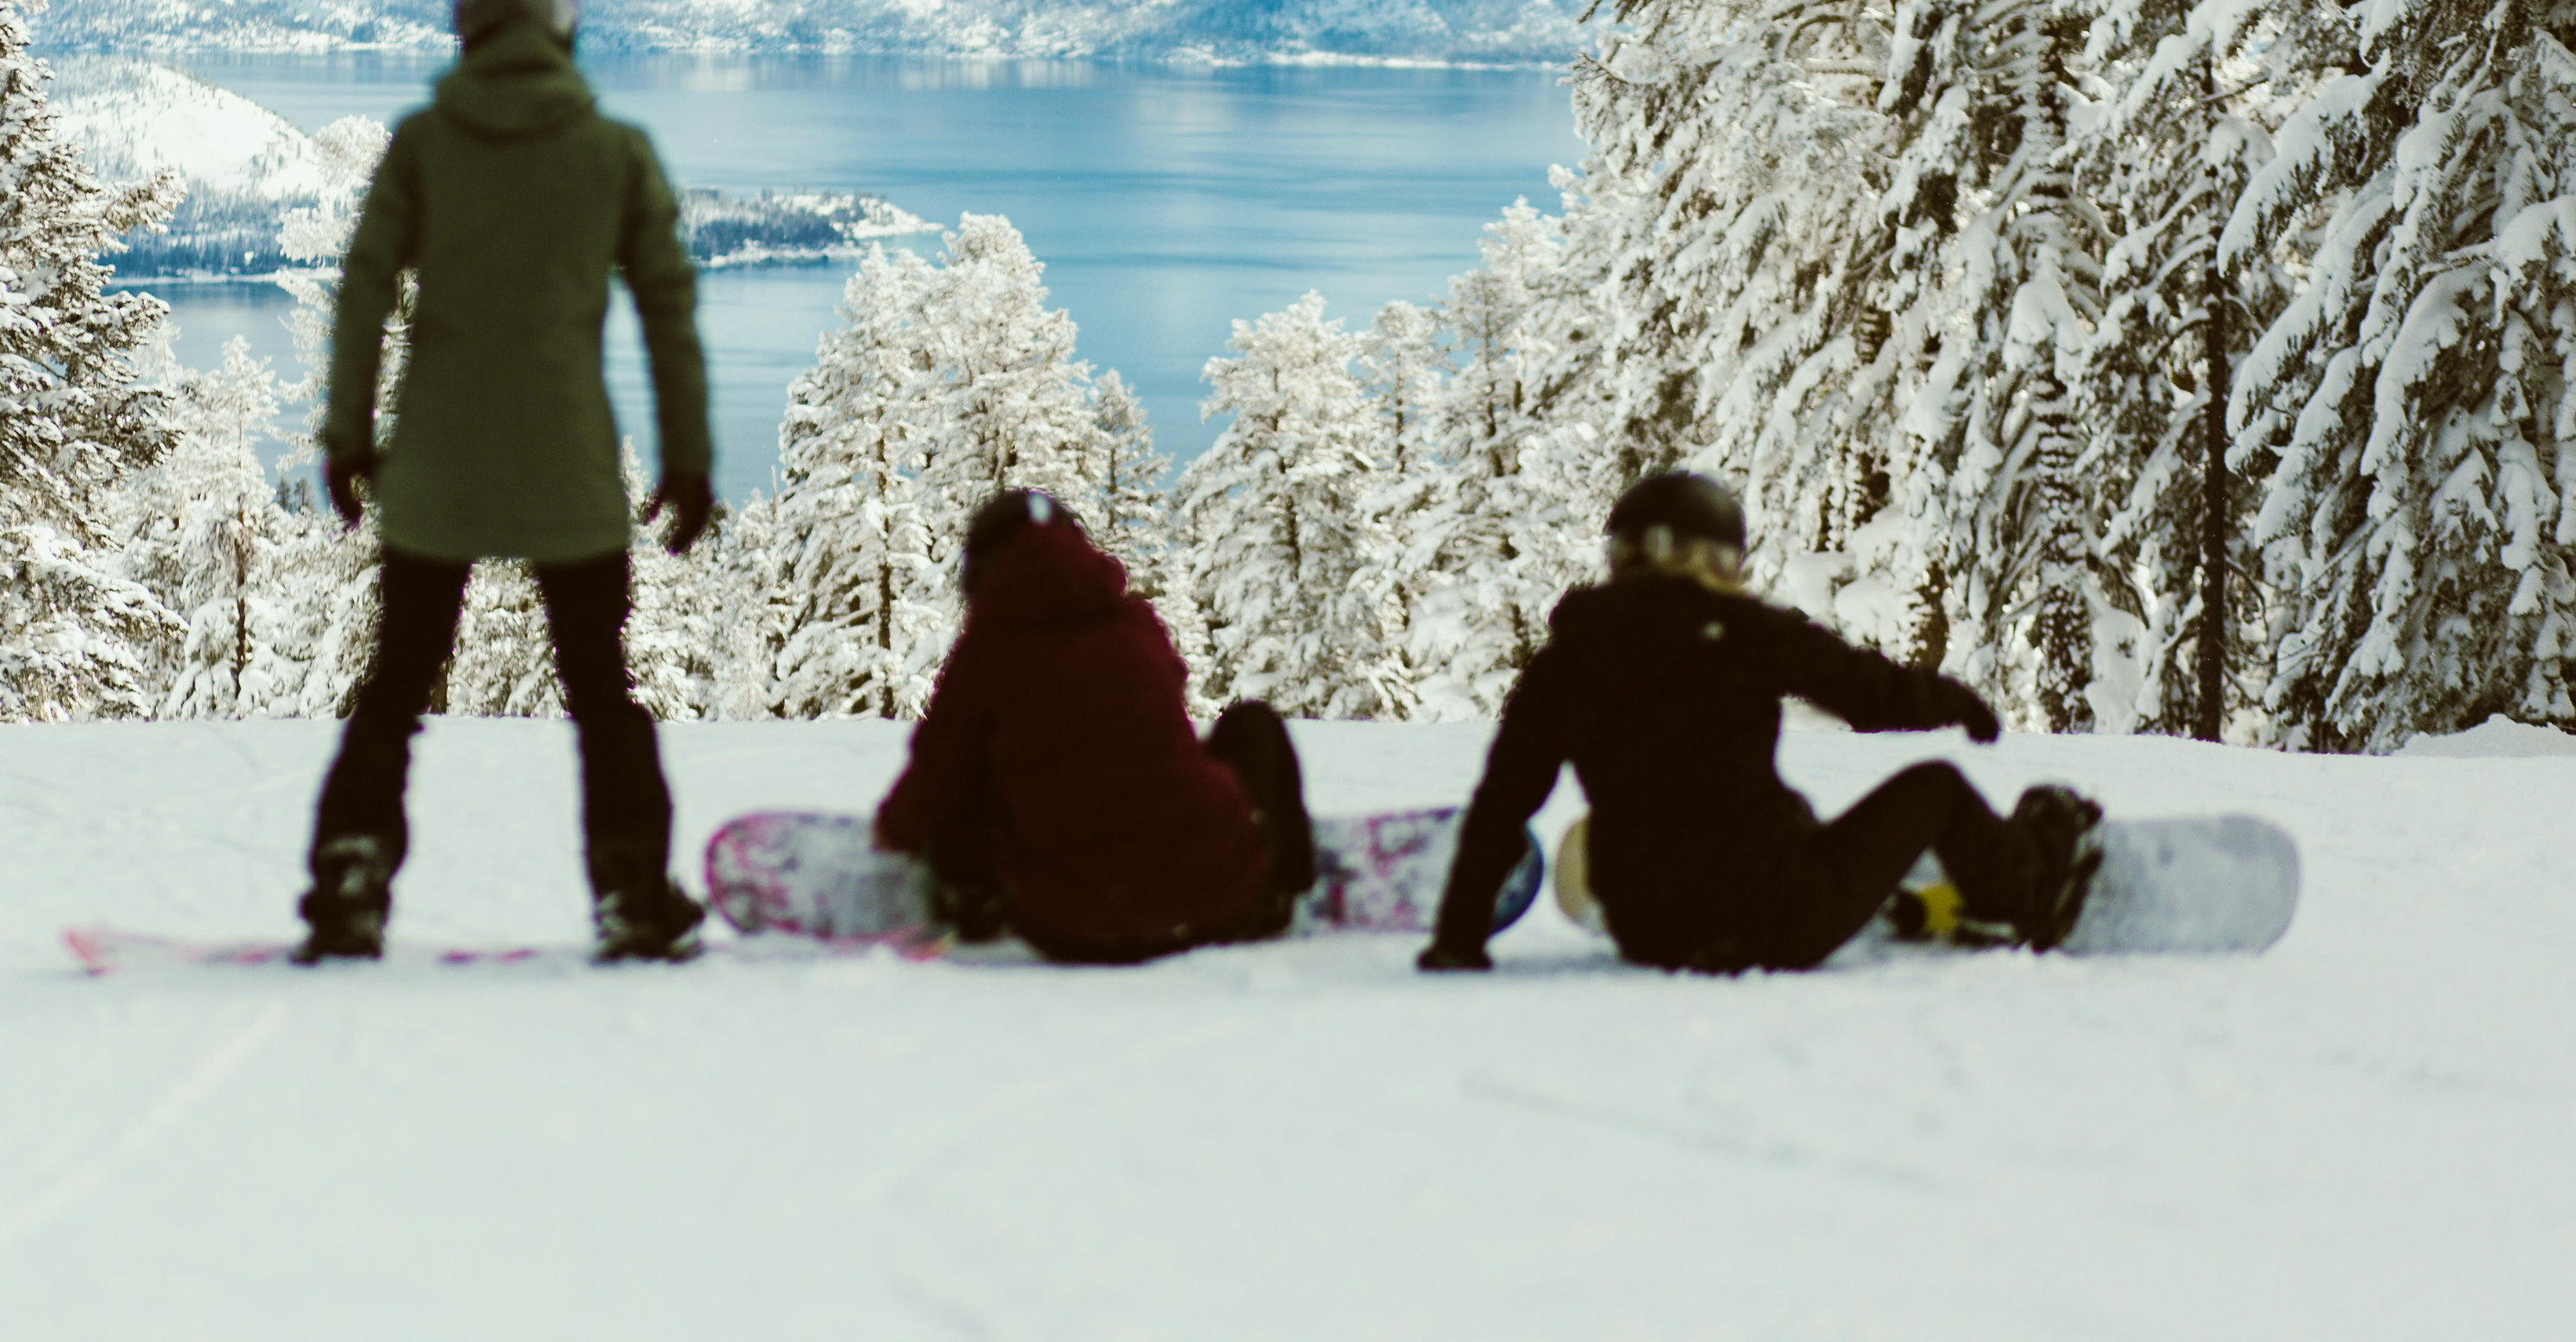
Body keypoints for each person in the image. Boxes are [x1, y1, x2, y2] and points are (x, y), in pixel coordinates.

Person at [299, 0, 715, 964]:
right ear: (561, 29)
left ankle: (352, 874)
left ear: (469, 32)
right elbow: (668, 312)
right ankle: (630, 894)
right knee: (602, 689)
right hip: (567, 466)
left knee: (397, 687)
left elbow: (361, 291)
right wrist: (690, 459)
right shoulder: (616, 149)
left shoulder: (425, 144)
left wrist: (348, 436)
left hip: (437, 463)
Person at [1419, 471, 2103, 974]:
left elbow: (1502, 805)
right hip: (1779, 917)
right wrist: (1960, 705)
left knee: (1720, 815)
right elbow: (1873, 694)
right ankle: (2019, 894)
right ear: (1716, 557)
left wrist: (1459, 937)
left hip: (1647, 932)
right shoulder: (1749, 633)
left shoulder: (1564, 664)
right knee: (1939, 788)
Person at [874, 490, 1317, 962]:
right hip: (1229, 906)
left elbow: (934, 780)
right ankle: (1289, 880)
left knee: (973, 769)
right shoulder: (1137, 624)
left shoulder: (988, 652)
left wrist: (893, 831)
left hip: (1073, 929)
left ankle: (978, 902)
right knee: (1252, 725)